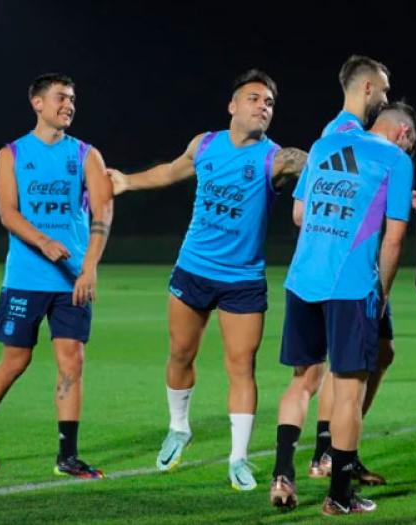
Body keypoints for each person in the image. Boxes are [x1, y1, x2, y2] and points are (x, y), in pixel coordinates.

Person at [107, 69, 307, 491]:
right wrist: (127, 181)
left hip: (243, 280)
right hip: (193, 269)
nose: (263, 107)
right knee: (180, 353)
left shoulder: (277, 159)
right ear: (232, 106)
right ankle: (179, 428)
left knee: (242, 367)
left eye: (269, 103)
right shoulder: (205, 145)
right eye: (254, 99)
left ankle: (238, 459)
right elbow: (169, 171)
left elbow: (316, 165)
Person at [0, 73, 113, 479]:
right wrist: (44, 243)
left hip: (72, 281)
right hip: (26, 278)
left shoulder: (86, 155)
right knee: (16, 361)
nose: (69, 105)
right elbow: (7, 212)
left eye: (73, 99)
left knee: (72, 362)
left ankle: (67, 455)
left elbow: (103, 212)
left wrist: (90, 268)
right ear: (38, 103)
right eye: (62, 98)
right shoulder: (10, 154)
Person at [269, 102, 416, 515]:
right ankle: (338, 496)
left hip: (302, 278)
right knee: (349, 391)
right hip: (349, 284)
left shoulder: (324, 144)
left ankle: (283, 473)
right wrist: (381, 293)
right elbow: (393, 240)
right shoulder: (396, 160)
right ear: (404, 135)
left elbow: (299, 214)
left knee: (302, 381)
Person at [309, 55, 393, 485]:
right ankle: (330, 453)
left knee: (380, 354)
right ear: (365, 88)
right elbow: (317, 209)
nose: (385, 97)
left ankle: (340, 450)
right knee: (345, 371)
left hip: (354, 265)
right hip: (350, 272)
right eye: (382, 89)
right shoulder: (341, 135)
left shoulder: (348, 136)